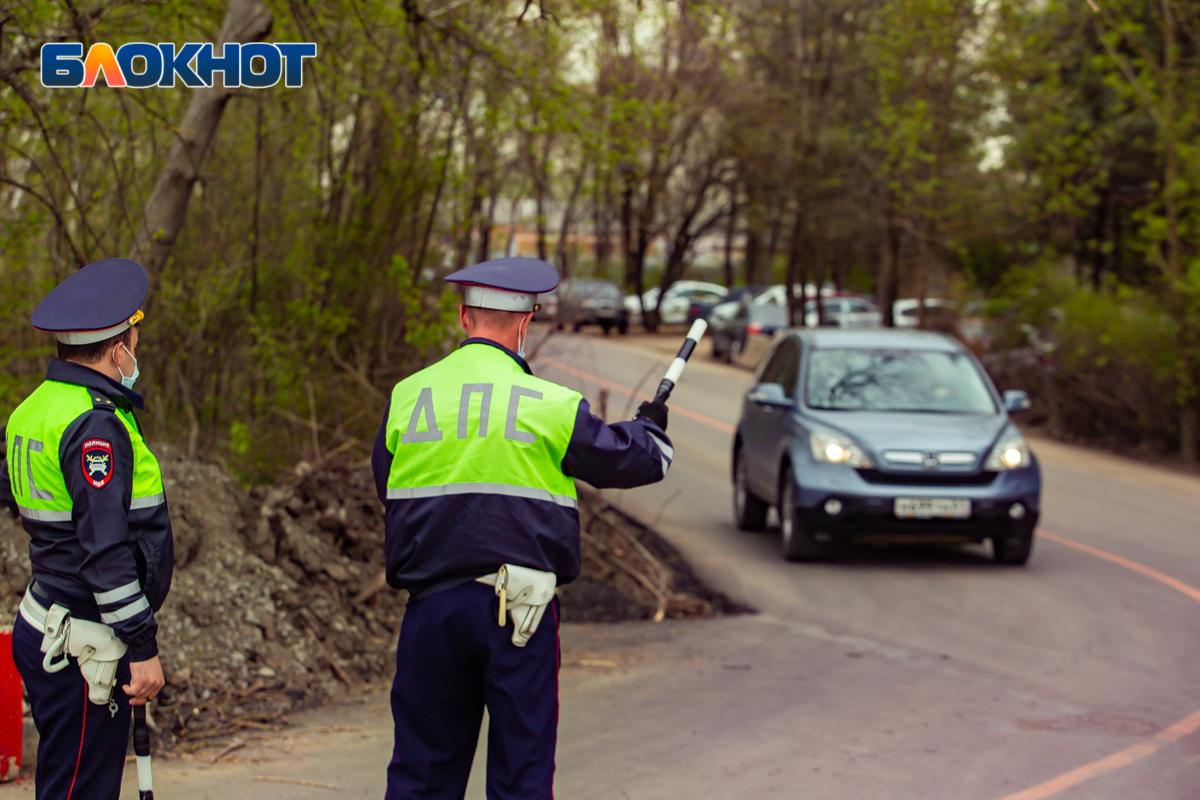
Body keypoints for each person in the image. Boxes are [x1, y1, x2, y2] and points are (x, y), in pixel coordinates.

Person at [373, 257, 673, 799]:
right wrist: (650, 429)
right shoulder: (551, 405)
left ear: (464, 318)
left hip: (432, 613)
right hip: (521, 616)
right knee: (521, 775)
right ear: (526, 323)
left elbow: (387, 487)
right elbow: (631, 460)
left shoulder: (408, 396)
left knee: (422, 774)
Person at [4, 258, 173, 799]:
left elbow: (18, 497)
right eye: (134, 340)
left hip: (46, 618)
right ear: (117, 349)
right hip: (85, 643)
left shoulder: (34, 409)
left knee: (65, 782)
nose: (136, 352)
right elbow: (105, 553)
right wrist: (142, 646)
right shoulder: (94, 423)